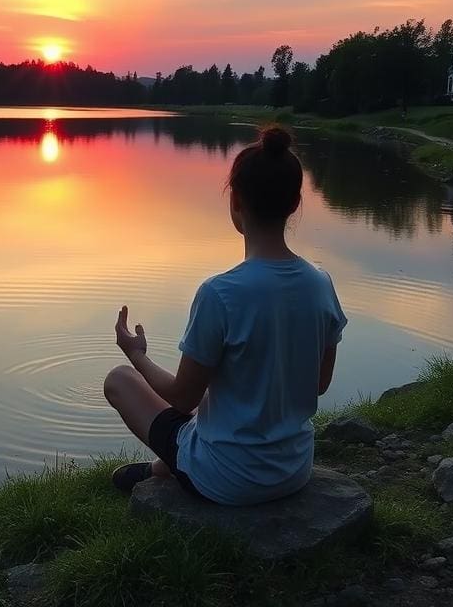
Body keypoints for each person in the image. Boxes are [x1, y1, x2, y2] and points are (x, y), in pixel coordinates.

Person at [103, 125, 347, 505]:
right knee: (214, 404)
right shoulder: (321, 283)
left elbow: (181, 398)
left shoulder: (220, 293)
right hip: (293, 469)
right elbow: (318, 384)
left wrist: (136, 354)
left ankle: (174, 466)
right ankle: (157, 470)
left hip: (228, 479)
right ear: (296, 203)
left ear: (235, 202)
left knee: (119, 380)